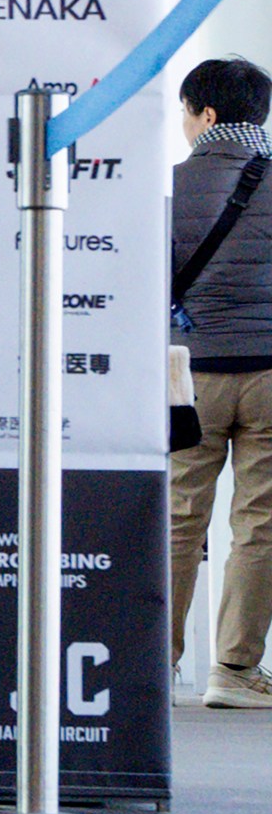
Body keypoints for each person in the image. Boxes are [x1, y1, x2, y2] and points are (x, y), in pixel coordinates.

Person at [165, 57, 272, 709]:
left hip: (190, 377)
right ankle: (233, 673)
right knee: (260, 524)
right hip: (269, 374)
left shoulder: (173, 187)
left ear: (206, 115)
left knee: (181, 520)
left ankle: (154, 663)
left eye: (184, 112)